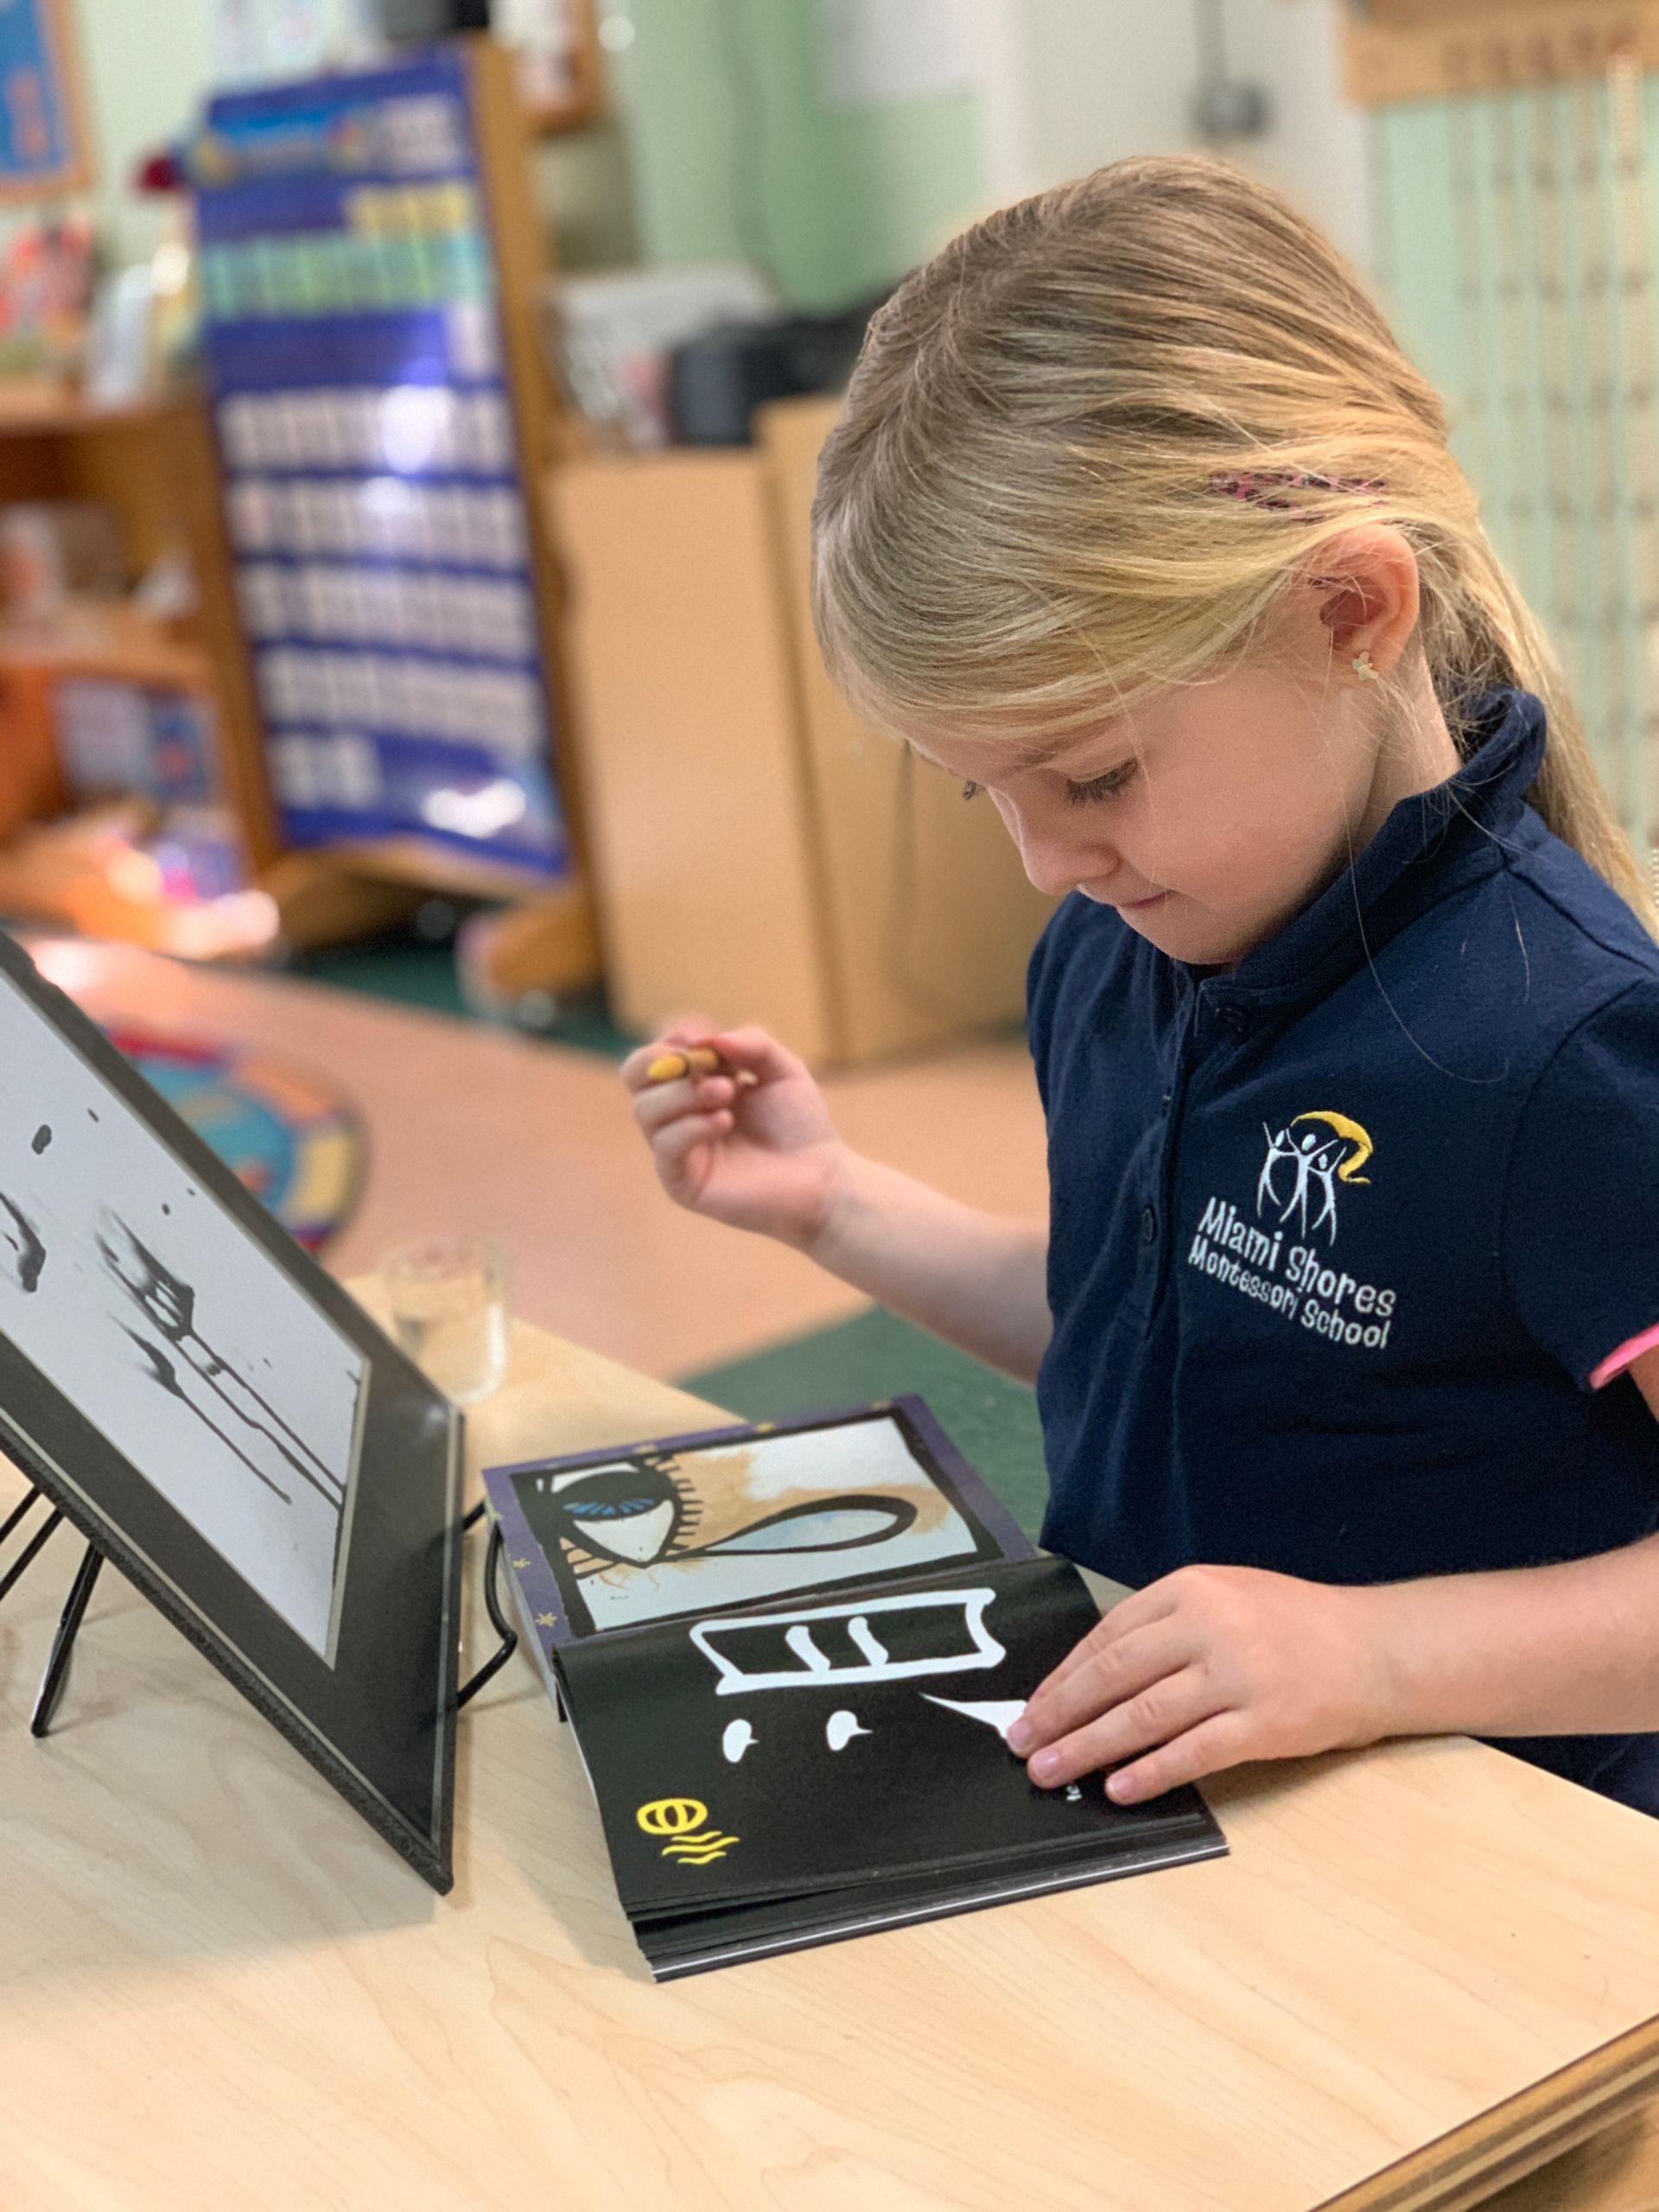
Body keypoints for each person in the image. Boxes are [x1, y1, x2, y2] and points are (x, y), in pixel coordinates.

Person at [624, 156, 1659, 1817]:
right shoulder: (1121, 948)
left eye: (1094, 775)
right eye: (985, 791)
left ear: (1350, 608)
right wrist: (830, 1204)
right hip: (1189, 1816)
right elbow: (1149, 1331)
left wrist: (1372, 1655)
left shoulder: (1574, 1046)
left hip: (1494, 1885)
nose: (1044, 860)